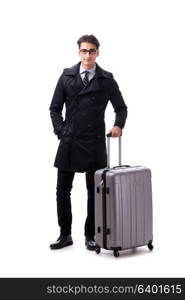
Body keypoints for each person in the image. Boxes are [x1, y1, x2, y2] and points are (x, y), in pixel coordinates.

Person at [49, 34, 127, 251]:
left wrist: (118, 125)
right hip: (70, 141)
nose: (88, 55)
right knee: (62, 190)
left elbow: (121, 107)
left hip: (94, 143)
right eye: (84, 51)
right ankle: (65, 234)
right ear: (78, 52)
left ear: (97, 53)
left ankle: (90, 234)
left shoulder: (107, 79)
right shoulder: (67, 77)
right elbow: (54, 108)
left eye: (92, 51)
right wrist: (62, 132)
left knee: (95, 191)